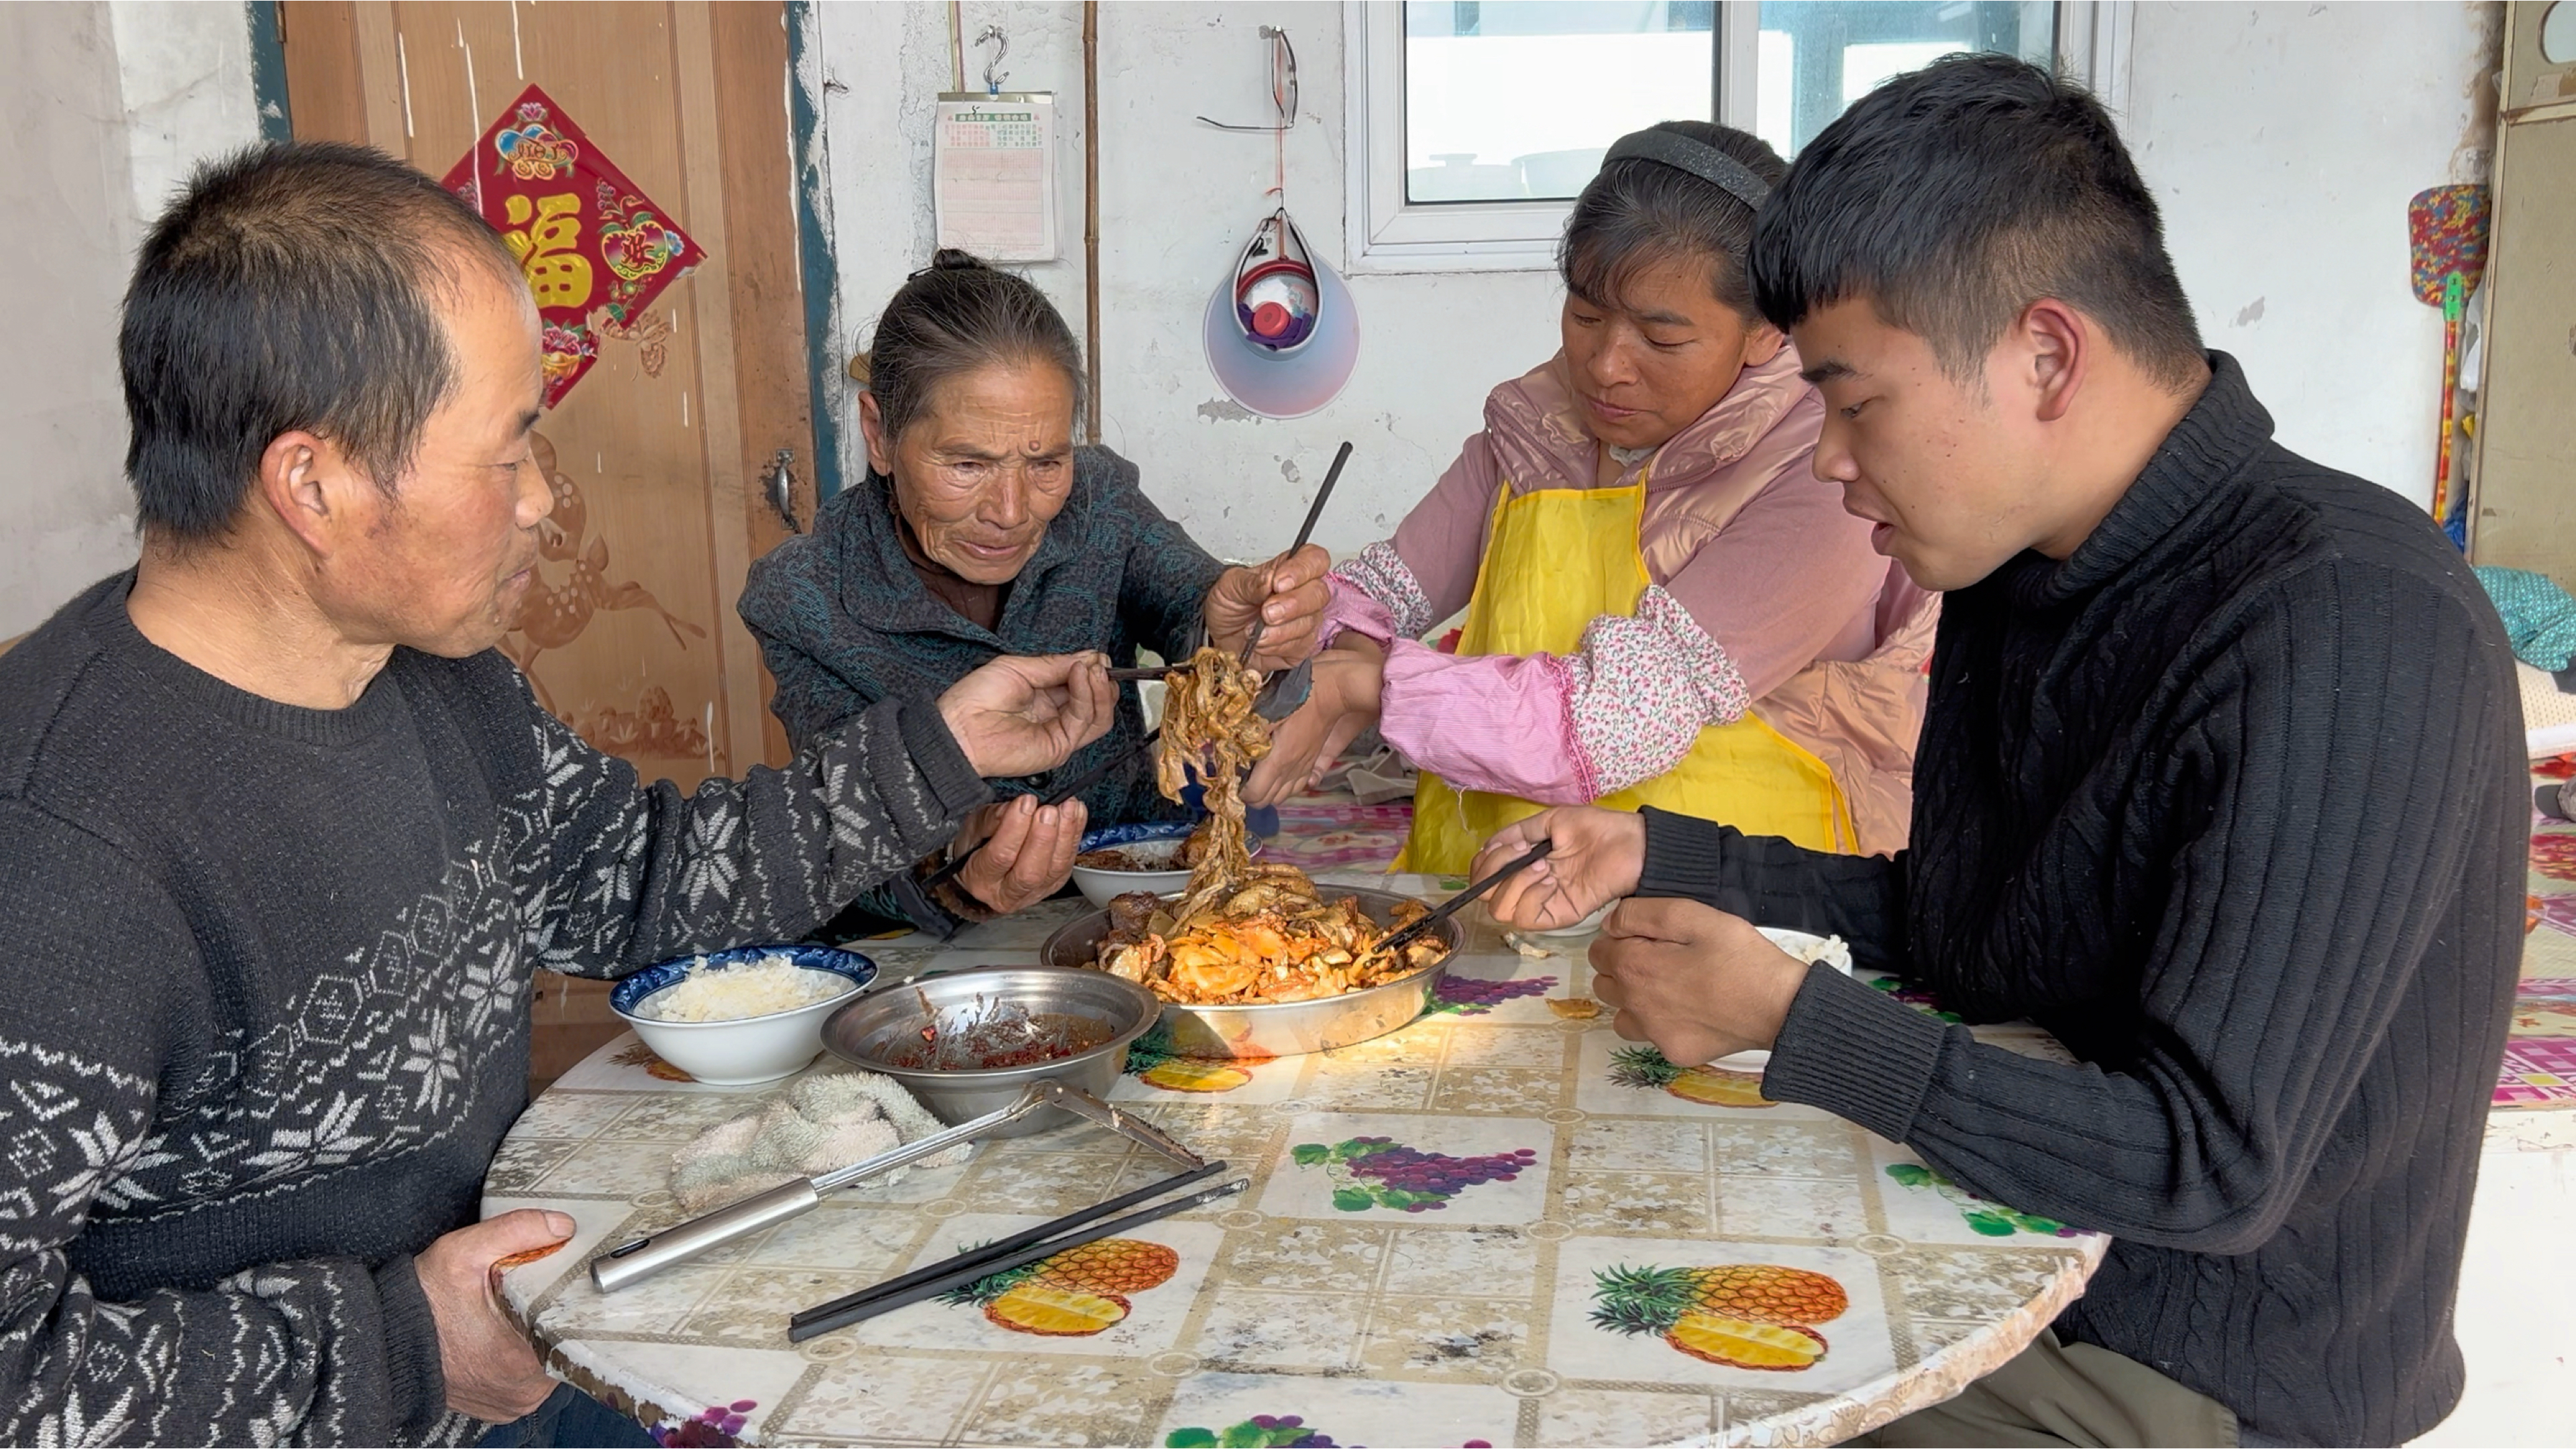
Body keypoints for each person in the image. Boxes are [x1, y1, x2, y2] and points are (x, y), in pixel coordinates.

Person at [0, 143, 1115, 1446]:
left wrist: (942, 745)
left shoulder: (440, 688)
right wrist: (404, 1346)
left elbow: (643, 884)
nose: (544, 501)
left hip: (510, 1349)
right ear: (315, 484)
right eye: (508, 448)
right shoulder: (63, 856)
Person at [1478, 56, 2519, 1448]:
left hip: (2203, 1349)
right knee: (1556, 1298)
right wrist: (1663, 852)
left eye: (1854, 403)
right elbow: (1979, 925)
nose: (1833, 463)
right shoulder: (2018, 570)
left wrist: (1799, 1025)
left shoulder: (2345, 623)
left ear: (2046, 355)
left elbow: (2209, 1166)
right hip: (2023, 1232)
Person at [1244, 121, 1935, 873]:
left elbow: (1615, 718)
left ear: (1766, 331)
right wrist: (1322, 636)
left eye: (1661, 341)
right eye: (1586, 315)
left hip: (1746, 907)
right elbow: (1383, 593)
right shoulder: (1531, 434)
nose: (1607, 366)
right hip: (1492, 887)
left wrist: (1368, 688)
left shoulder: (1827, 471)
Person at [737, 250, 1329, 936]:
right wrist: (957, 864)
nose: (1013, 511)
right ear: (879, 433)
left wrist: (1236, 634)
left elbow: (1193, 602)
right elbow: (832, 837)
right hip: (928, 956)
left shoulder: (1099, 498)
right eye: (967, 464)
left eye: (1045, 462)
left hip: (1137, 915)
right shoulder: (806, 596)